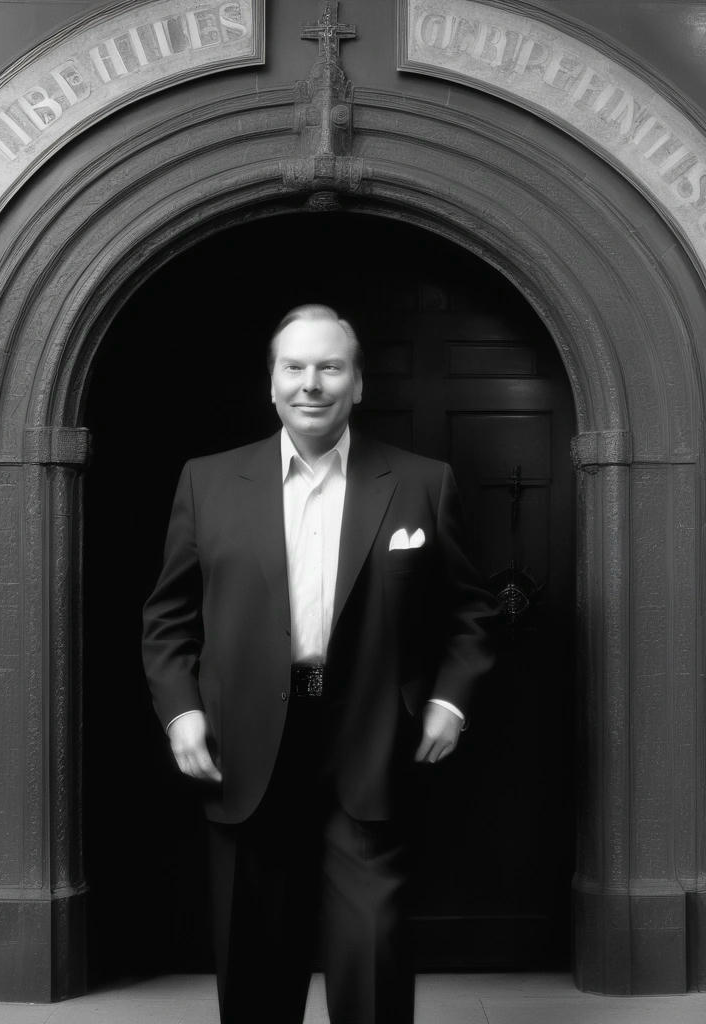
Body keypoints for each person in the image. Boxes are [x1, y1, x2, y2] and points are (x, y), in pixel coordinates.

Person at [142, 304, 499, 1024]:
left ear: (357, 384)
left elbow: (472, 610)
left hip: (370, 743)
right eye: (295, 367)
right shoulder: (207, 483)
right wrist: (181, 711)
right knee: (254, 963)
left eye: (330, 367)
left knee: (373, 953)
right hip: (243, 749)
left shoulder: (422, 483)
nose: (313, 383)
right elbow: (168, 617)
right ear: (271, 384)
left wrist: (449, 703)